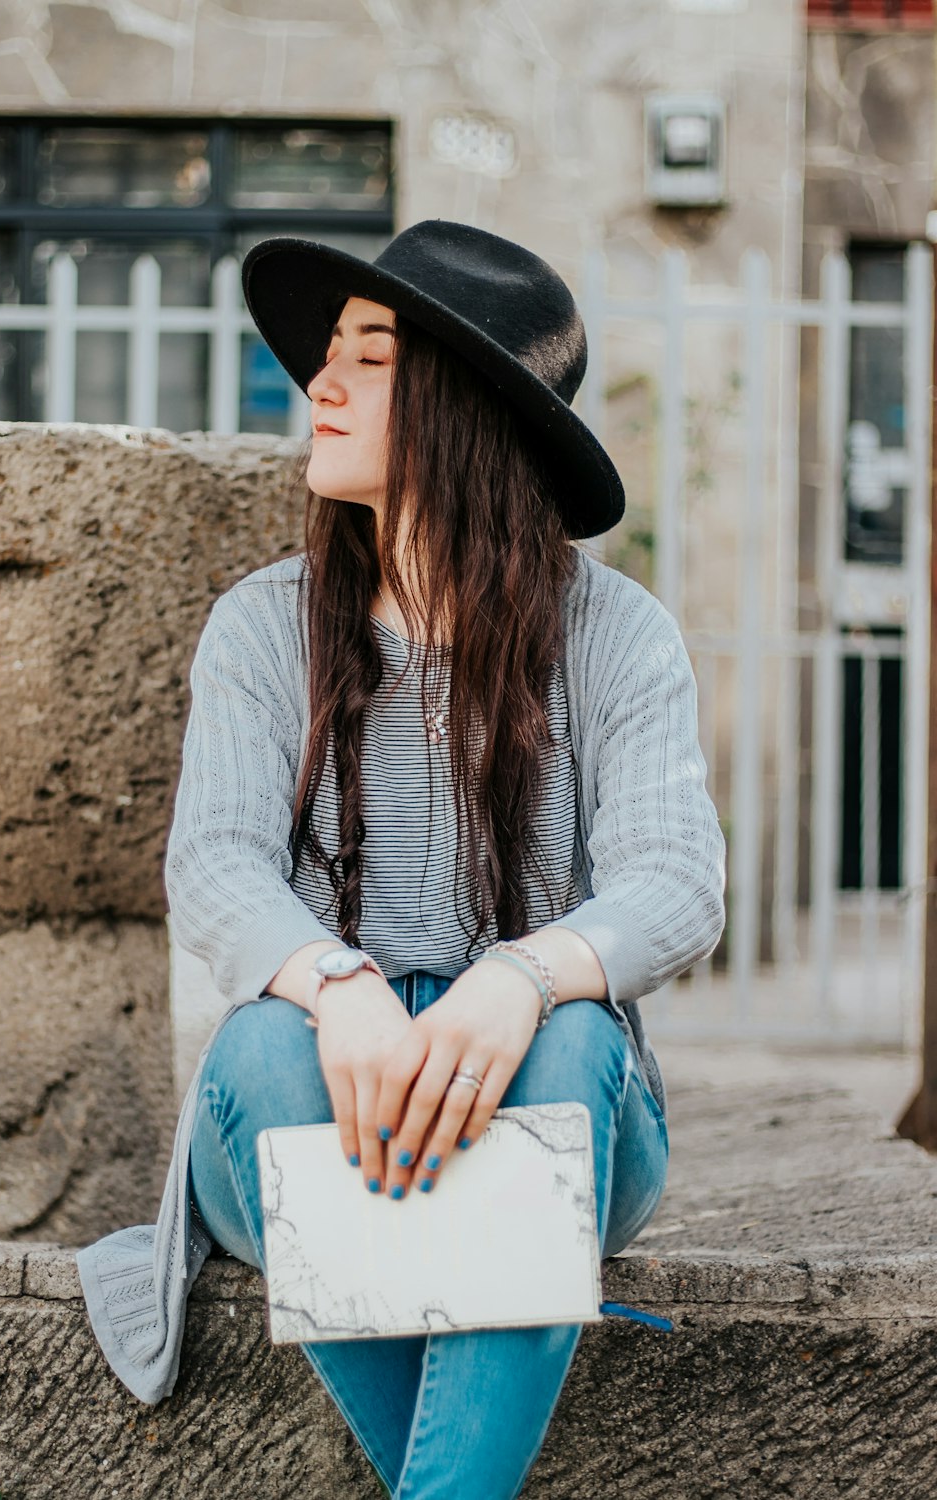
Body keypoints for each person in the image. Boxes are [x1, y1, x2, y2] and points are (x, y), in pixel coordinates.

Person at [77, 219, 726, 1498]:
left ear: (461, 405)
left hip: (550, 1106)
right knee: (260, 1042)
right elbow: (213, 866)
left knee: (578, 1041)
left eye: (363, 358)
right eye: (326, 355)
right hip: (313, 1101)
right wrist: (333, 982)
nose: (313, 385)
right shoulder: (264, 627)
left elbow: (675, 881)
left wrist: (519, 980)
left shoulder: (617, 635)